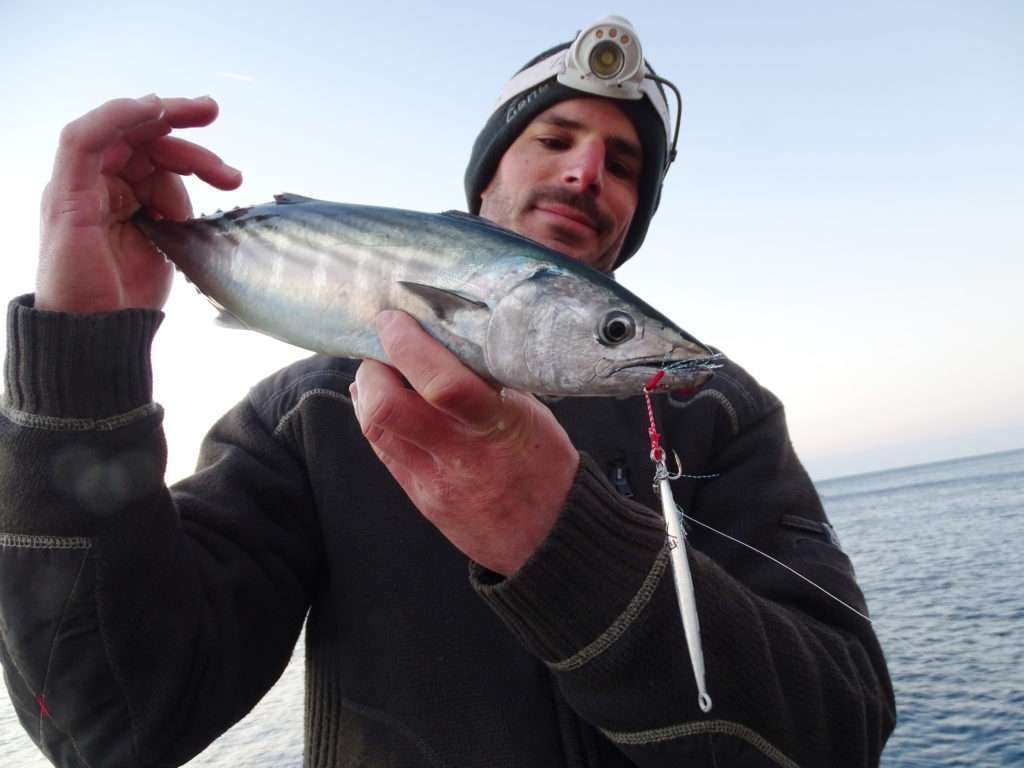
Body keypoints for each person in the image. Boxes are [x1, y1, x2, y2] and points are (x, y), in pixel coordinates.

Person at [0, 17, 895, 768]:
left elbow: (843, 729)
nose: (587, 173)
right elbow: (108, 722)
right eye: (554, 140)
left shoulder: (717, 410)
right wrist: (81, 359)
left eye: (624, 166)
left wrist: (560, 538)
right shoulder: (307, 413)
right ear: (487, 178)